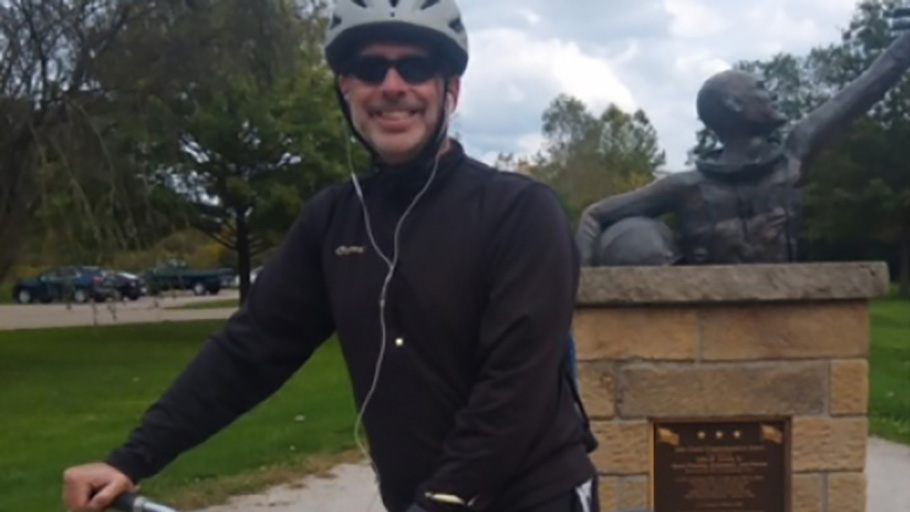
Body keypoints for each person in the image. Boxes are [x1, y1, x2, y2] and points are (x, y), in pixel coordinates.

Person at [61, 1, 598, 512]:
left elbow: (513, 390)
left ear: (449, 87)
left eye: (414, 66)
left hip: (533, 496)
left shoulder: (520, 212)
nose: (392, 86)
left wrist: (441, 502)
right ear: (346, 88)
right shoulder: (331, 221)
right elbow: (249, 352)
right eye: (370, 68)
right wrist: (131, 460)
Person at [575, 29, 910, 267]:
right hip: (703, 325)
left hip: (783, 318)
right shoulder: (687, 186)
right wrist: (584, 296)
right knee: (632, 236)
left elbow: (865, 89)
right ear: (734, 104)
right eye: (762, 89)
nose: (773, 95)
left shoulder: (793, 155)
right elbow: (595, 216)